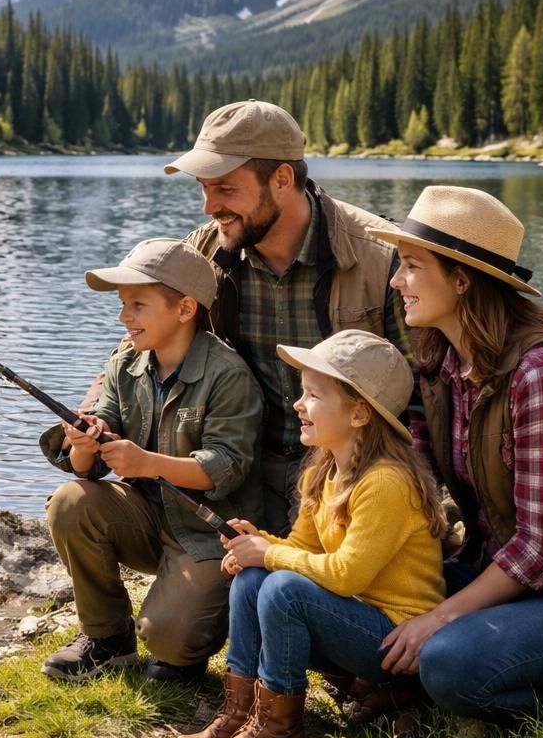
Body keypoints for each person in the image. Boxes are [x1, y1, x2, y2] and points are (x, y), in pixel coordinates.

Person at [373, 185, 543, 720]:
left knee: (450, 662)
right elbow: (419, 483)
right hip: (504, 577)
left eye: (410, 266)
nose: (396, 281)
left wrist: (439, 618)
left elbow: (541, 547)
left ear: (461, 278)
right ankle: (434, 684)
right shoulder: (445, 362)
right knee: (366, 601)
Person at [173, 330, 445, 738]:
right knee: (252, 578)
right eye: (302, 393)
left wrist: (270, 556)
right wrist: (257, 545)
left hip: (396, 644)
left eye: (314, 395)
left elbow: (344, 576)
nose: (298, 405)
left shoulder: (385, 483)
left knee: (282, 587)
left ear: (359, 412)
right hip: (352, 623)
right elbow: (302, 552)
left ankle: (281, 732)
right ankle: (242, 713)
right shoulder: (323, 471)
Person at [166, 99, 409, 535]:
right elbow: (140, 350)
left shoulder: (382, 259)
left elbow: (427, 396)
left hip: (350, 492)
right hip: (238, 484)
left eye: (224, 188)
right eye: (202, 188)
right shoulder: (202, 252)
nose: (208, 206)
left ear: (282, 179)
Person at [39, 237, 264, 683]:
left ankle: (186, 639)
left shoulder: (227, 373)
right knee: (69, 501)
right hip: (143, 518)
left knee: (167, 641)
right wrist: (84, 445)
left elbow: (226, 465)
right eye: (124, 304)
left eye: (138, 305)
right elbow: (94, 456)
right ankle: (107, 638)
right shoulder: (127, 362)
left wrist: (147, 463)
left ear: (184, 309)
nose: (125, 317)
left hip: (206, 535)